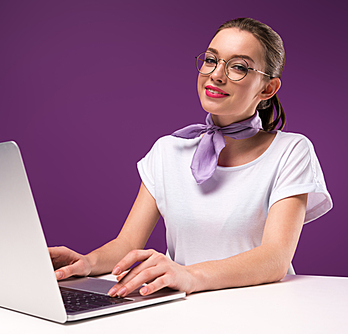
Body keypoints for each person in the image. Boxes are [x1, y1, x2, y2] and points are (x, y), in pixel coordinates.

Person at [49, 17, 332, 298]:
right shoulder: (167, 151)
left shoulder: (291, 151)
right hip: (185, 309)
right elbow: (126, 244)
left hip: (263, 309)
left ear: (267, 89)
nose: (217, 75)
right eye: (211, 60)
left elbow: (275, 259)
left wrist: (190, 274)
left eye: (238, 67)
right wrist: (87, 262)